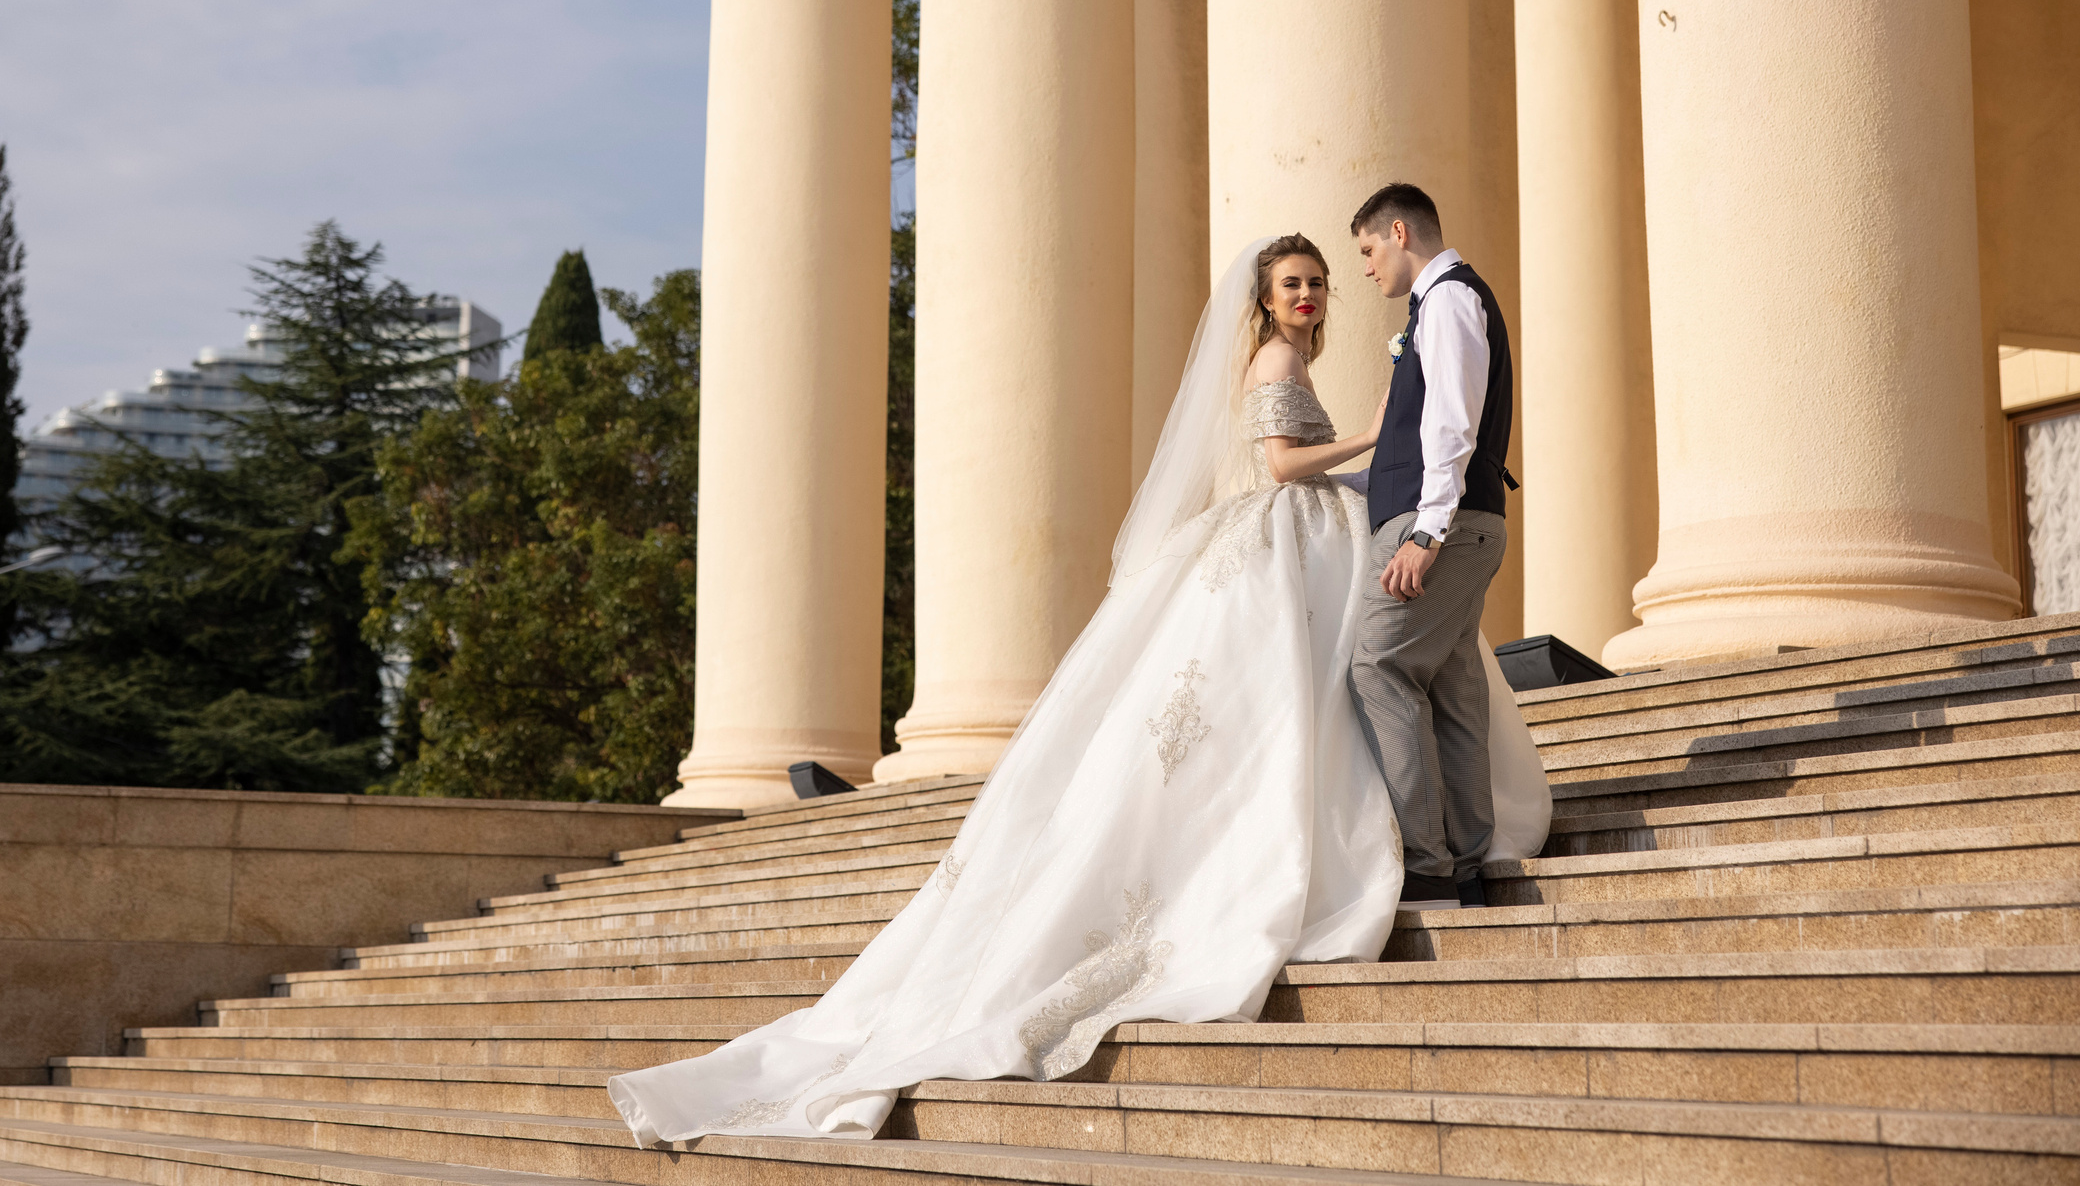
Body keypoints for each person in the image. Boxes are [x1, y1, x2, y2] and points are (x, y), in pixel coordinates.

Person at [606, 234, 1550, 1146]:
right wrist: (1372, 434)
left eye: (1315, 285)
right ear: (1263, 300)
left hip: (1307, 542)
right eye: (1292, 285)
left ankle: (1404, 835)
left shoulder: (1294, 360)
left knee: (1344, 688)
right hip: (1287, 531)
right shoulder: (1274, 366)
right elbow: (1281, 467)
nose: (1307, 298)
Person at [1348, 182, 1522, 913]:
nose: (1366, 267)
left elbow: (1452, 425)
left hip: (1445, 522)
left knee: (1378, 663)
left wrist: (1425, 530)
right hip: (1463, 520)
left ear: (1398, 230)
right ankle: (1472, 865)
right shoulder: (1438, 303)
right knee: (1452, 688)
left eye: (1367, 249)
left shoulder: (1449, 297)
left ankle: (1427, 866)